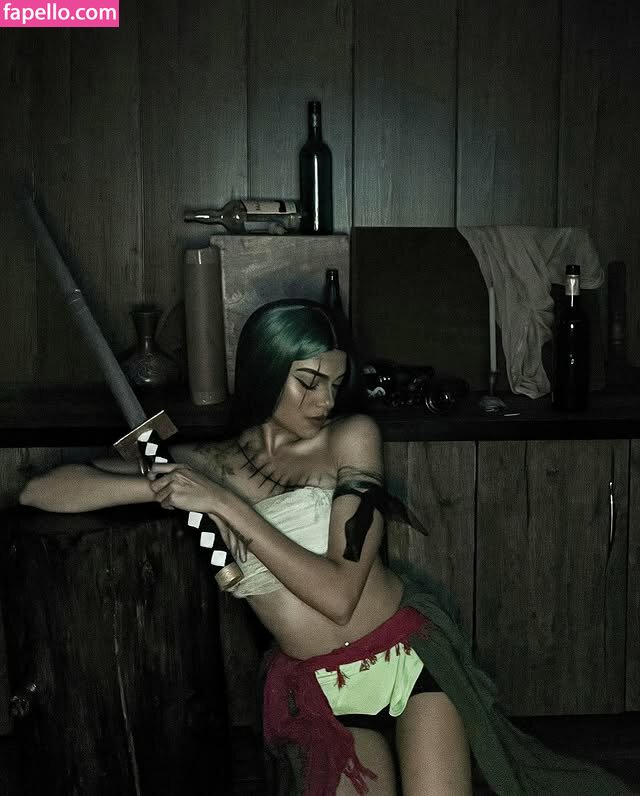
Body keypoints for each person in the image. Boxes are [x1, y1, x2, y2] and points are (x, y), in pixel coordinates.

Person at [20, 299, 634, 796]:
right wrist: (165, 488)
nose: (325, 402)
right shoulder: (211, 463)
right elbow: (44, 490)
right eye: (308, 382)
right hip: (320, 690)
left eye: (336, 384)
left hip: (408, 661)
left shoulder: (350, 438)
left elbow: (339, 595)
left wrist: (225, 505)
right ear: (265, 370)